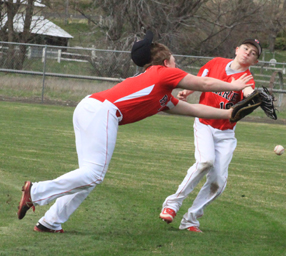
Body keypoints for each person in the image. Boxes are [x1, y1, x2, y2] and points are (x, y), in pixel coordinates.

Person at [17, 31, 254, 233]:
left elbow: (193, 108)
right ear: (166, 62)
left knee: (88, 175)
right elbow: (204, 84)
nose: (176, 63)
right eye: (174, 59)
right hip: (102, 112)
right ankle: (36, 192)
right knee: (94, 174)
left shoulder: (161, 94)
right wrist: (236, 86)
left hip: (91, 108)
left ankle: (50, 222)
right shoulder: (162, 72)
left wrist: (232, 113)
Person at [160, 38, 262, 233]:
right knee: (205, 161)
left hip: (226, 133)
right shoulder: (215, 63)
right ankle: (172, 204)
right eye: (246, 48)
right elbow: (201, 80)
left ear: (254, 62)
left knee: (218, 182)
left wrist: (252, 95)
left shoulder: (247, 79)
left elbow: (249, 92)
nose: (248, 52)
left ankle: (190, 220)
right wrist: (187, 91)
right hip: (204, 124)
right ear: (237, 49)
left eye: (253, 53)